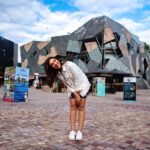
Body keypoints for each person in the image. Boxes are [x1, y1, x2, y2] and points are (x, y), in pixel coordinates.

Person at [44, 57, 91, 140]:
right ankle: (72, 131)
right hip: (72, 88)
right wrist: (74, 94)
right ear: (51, 67)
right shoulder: (58, 73)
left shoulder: (69, 65)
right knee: (72, 107)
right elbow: (67, 84)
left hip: (82, 86)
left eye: (54, 60)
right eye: (52, 64)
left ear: (57, 59)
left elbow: (78, 79)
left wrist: (78, 95)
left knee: (81, 107)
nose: (55, 63)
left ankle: (79, 131)